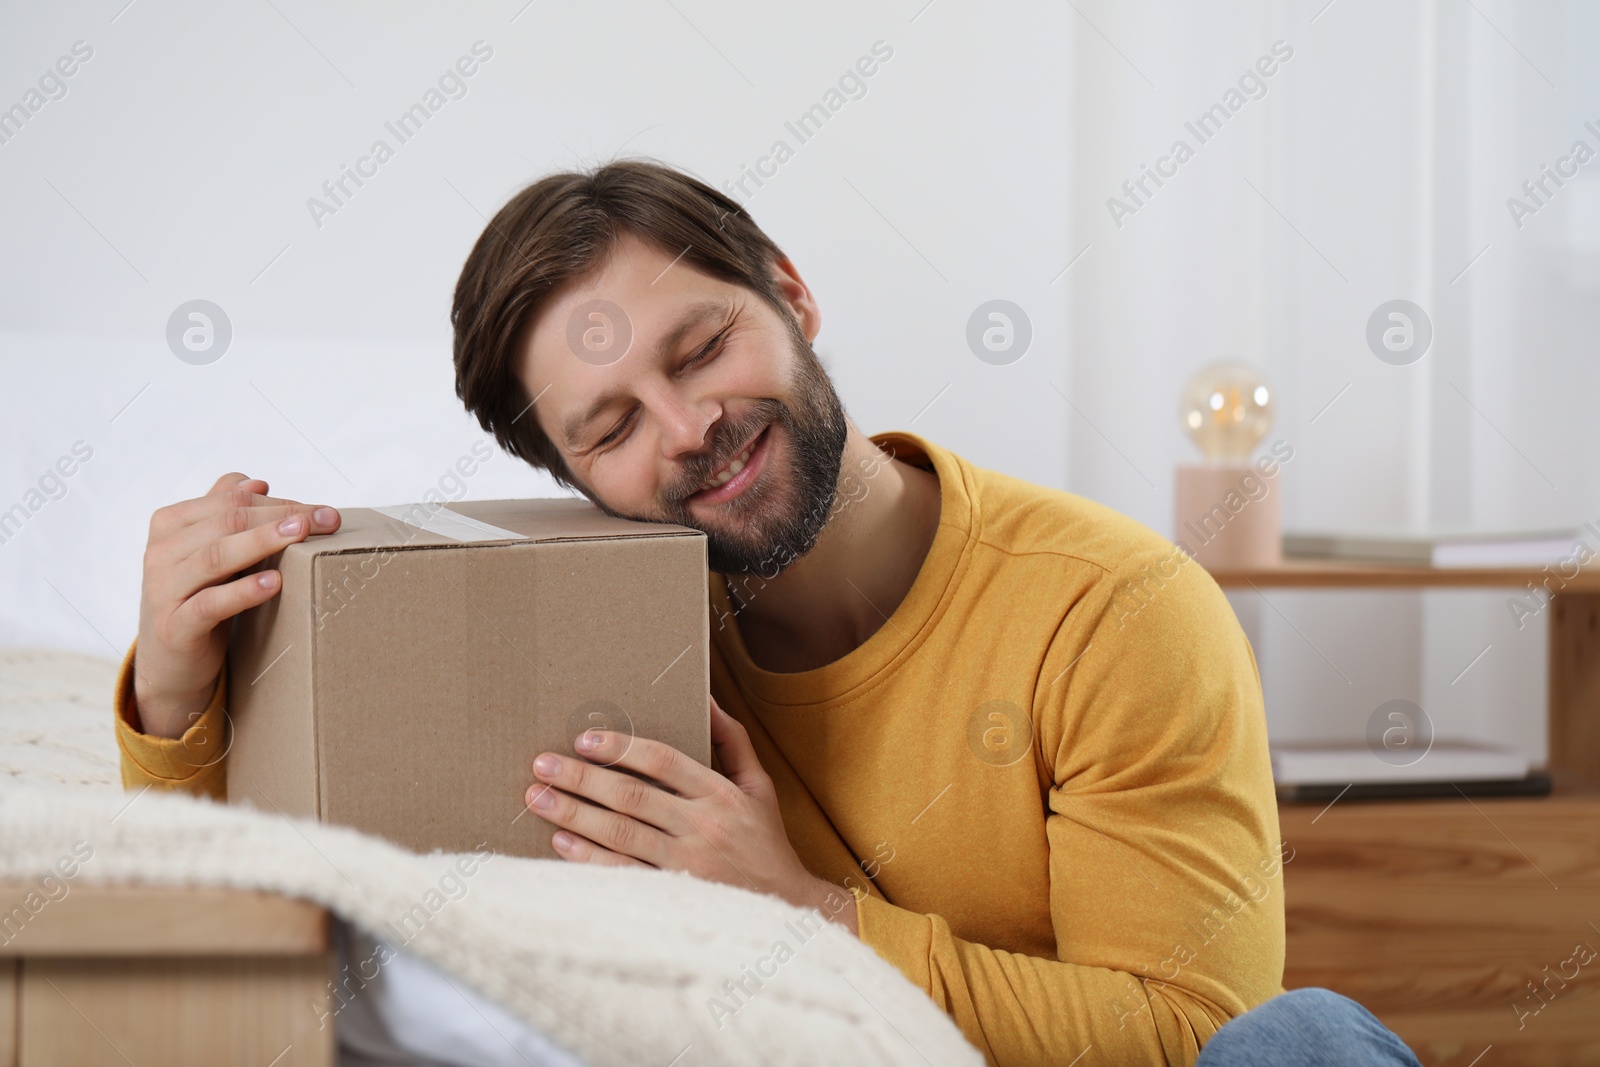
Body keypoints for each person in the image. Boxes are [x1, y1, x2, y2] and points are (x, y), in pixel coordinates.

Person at [113, 159, 1421, 1066]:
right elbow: (268, 933)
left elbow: (1196, 1042)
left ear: (790, 296)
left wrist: (803, 918)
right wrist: (176, 694)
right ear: (574, 484)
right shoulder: (580, 638)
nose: (690, 431)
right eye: (612, 426)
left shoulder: (1112, 609)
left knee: (1302, 1043)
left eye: (700, 350)